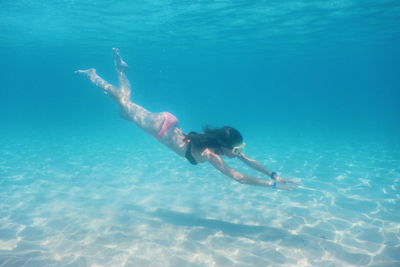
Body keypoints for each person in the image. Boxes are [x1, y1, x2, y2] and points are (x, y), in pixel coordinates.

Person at [75, 48, 298, 190]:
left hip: (168, 123)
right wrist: (273, 185)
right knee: (124, 104)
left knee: (125, 109)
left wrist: (274, 174)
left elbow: (248, 162)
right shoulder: (212, 154)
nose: (239, 153)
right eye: (237, 149)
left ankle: (120, 69)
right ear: (224, 145)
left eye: (239, 149)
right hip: (159, 128)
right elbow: (238, 177)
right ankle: (93, 75)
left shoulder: (219, 147)